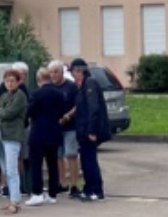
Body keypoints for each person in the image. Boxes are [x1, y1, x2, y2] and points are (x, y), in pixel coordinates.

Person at [70, 58, 110, 201]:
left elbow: (94, 108)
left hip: (88, 131)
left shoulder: (90, 84)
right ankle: (88, 189)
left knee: (90, 161)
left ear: (80, 71)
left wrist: (92, 131)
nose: (74, 75)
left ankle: (96, 190)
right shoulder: (83, 86)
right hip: (83, 131)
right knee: (85, 161)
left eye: (74, 72)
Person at [26, 67, 67, 206]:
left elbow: (30, 111)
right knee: (52, 164)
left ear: (38, 79)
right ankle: (52, 194)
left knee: (36, 164)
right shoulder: (59, 94)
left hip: (38, 133)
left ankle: (37, 193)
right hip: (54, 132)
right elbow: (62, 112)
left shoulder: (36, 93)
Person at [0, 69, 28, 214]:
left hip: (13, 135)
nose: (9, 83)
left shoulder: (20, 96)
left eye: (12, 81)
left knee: (12, 169)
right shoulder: (5, 95)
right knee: (5, 168)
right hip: (1, 134)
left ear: (18, 82)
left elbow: (9, 113)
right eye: (7, 81)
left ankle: (15, 201)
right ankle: (12, 198)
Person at [49, 60, 82, 198]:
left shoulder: (71, 86)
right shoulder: (49, 87)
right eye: (51, 72)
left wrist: (68, 116)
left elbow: (77, 105)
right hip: (55, 127)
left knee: (71, 155)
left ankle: (74, 184)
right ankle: (62, 183)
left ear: (62, 72)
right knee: (58, 156)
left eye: (56, 72)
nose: (53, 75)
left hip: (70, 126)